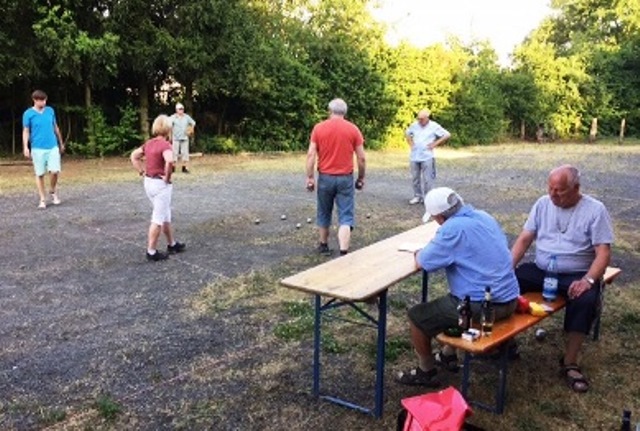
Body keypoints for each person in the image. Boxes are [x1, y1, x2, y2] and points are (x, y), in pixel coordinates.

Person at [396, 187, 519, 387]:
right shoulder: (484, 217)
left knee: (418, 316)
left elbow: (423, 262)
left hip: (484, 308)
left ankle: (426, 370)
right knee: (453, 300)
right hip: (510, 299)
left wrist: (419, 252)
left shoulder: (452, 229)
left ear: (439, 217)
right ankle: (448, 355)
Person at [511, 165, 613, 393]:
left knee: (585, 299)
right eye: (550, 188)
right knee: (507, 285)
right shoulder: (542, 204)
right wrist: (507, 268)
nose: (553, 194)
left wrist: (588, 280)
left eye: (560, 190)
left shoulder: (595, 210)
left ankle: (570, 362)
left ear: (576, 188)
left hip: (576, 274)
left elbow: (603, 253)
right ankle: (505, 344)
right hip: (542, 269)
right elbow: (525, 238)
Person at [305, 98, 366, 256]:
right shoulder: (353, 129)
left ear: (330, 111)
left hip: (325, 177)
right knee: (345, 215)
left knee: (324, 210)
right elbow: (361, 158)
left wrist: (310, 177)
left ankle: (323, 245)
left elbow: (311, 154)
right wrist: (361, 178)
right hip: (345, 178)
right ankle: (343, 251)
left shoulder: (319, 128)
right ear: (345, 112)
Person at [131, 115, 186, 261]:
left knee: (165, 214)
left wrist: (141, 171)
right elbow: (169, 161)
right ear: (168, 129)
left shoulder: (149, 143)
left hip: (149, 182)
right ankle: (151, 251)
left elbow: (134, 156)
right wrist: (167, 178)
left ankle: (172, 244)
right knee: (157, 219)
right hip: (160, 185)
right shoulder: (165, 145)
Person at [22, 90, 65, 209]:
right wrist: (25, 147)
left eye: (45, 100)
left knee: (55, 171)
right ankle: (42, 199)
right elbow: (26, 131)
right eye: (41, 100)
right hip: (37, 148)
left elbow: (55, 127)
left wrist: (61, 142)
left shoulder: (50, 111)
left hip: (52, 146)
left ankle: (52, 190)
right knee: (40, 173)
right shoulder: (28, 114)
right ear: (34, 100)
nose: (43, 102)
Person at [405, 109, 450, 205]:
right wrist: (411, 144)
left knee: (428, 179)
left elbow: (447, 134)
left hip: (427, 156)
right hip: (415, 156)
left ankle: (428, 198)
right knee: (415, 178)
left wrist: (435, 143)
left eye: (421, 119)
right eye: (418, 118)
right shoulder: (414, 125)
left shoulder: (434, 126)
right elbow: (407, 133)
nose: (419, 121)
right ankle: (417, 196)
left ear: (427, 118)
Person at [170, 102, 196, 173]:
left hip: (184, 137)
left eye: (182, 109)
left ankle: (185, 167)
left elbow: (193, 123)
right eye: (180, 109)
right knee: (174, 153)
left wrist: (191, 129)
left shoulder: (186, 117)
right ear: (176, 110)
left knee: (185, 153)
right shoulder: (173, 117)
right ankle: (173, 167)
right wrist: (170, 134)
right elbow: (168, 124)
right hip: (175, 137)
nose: (181, 110)